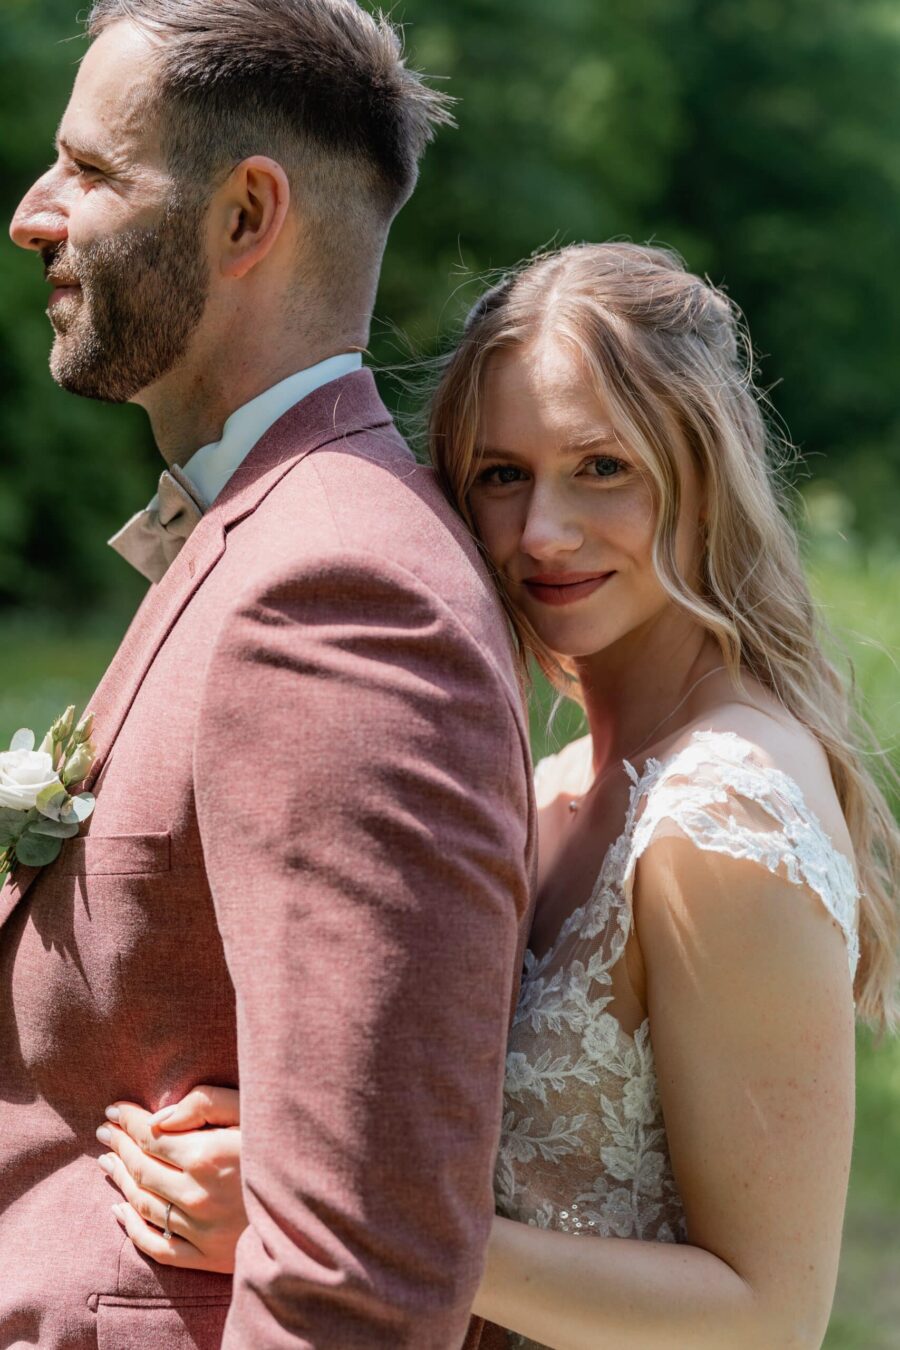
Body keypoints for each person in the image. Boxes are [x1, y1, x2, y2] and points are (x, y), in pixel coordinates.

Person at [98, 244, 900, 1349]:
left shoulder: (724, 812)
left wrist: (329, 1222)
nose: (541, 535)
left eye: (603, 467)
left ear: (708, 470)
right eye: (501, 475)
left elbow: (770, 1317)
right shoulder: (551, 783)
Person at [2, 4, 537, 1348]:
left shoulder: (341, 592)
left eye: (91, 170)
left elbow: (362, 1269)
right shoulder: (265, 528)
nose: (31, 215)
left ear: (245, 216)